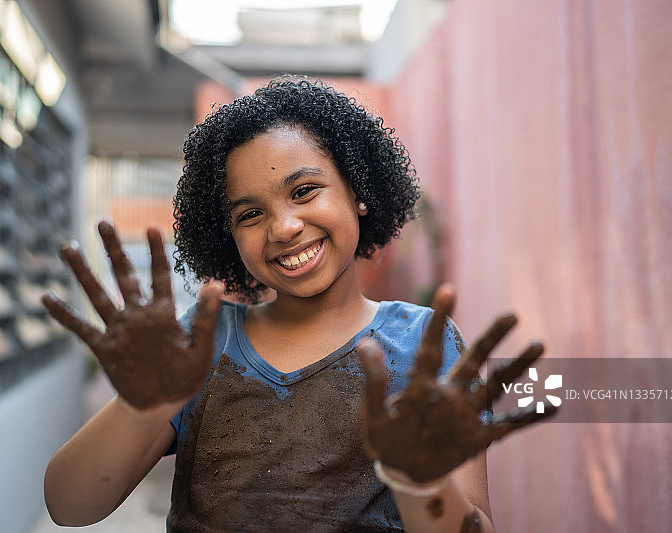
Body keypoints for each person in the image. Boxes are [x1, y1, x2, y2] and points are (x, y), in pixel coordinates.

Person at [42, 78, 555, 532]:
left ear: (358, 190)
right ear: (229, 239)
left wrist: (421, 482)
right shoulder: (201, 343)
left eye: (305, 191)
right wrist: (141, 407)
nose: (284, 227)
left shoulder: (422, 345)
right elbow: (69, 507)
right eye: (250, 214)